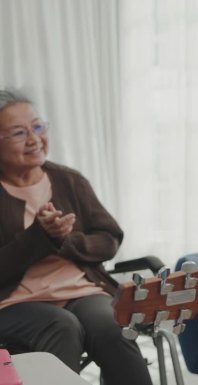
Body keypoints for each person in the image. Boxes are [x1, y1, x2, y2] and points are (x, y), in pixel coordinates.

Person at [0, 89, 152, 385]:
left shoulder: (69, 180)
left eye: (38, 127)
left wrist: (66, 241)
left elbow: (109, 238)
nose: (34, 139)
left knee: (111, 324)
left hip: (80, 292)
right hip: (13, 304)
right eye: (19, 132)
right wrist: (40, 237)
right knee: (61, 326)